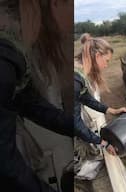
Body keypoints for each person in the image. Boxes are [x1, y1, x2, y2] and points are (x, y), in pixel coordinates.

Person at [0, 1, 75, 192]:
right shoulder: (4, 59)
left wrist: (81, 128)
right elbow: (5, 164)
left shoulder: (13, 50)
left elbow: (30, 103)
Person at [74, 33, 126, 156]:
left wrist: (110, 110)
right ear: (97, 56)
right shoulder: (75, 80)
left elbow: (85, 98)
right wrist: (103, 142)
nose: (106, 66)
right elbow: (75, 123)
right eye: (106, 61)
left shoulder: (80, 74)